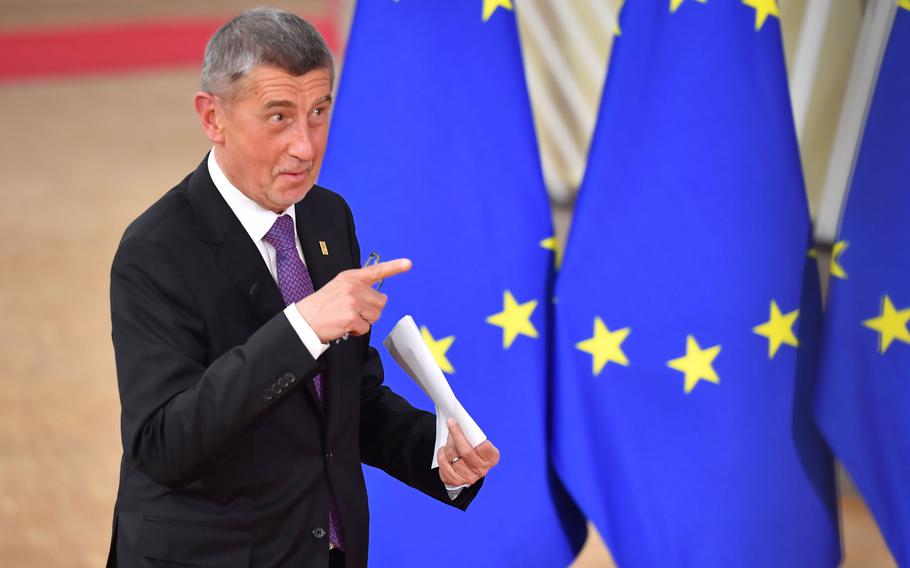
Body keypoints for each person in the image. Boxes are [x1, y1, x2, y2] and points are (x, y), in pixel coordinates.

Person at [106, 8, 499, 567]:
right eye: (278, 116)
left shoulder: (326, 216)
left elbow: (343, 401)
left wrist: (433, 451)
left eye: (318, 112)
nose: (305, 145)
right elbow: (164, 446)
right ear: (212, 117)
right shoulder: (154, 250)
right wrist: (304, 327)